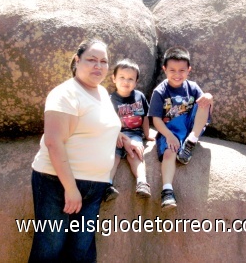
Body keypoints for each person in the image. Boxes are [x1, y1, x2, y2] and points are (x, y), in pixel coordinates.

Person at [29, 39, 139, 262]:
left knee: (81, 253)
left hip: (94, 185)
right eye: (91, 60)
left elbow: (99, 126)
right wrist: (70, 188)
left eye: (103, 61)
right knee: (50, 248)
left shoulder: (101, 93)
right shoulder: (65, 94)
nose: (98, 66)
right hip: (57, 182)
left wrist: (123, 139)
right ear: (77, 61)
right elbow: (53, 142)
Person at [148, 46, 213, 210]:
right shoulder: (160, 91)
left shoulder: (192, 87)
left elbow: (204, 106)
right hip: (170, 129)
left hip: (191, 127)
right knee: (169, 153)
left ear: (189, 70)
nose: (177, 74)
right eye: (172, 70)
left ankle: (191, 141)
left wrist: (209, 97)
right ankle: (167, 191)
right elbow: (155, 119)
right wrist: (169, 136)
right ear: (164, 70)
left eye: (182, 70)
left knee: (206, 99)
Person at [103, 59, 155, 202]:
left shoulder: (139, 96)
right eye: (122, 77)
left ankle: (142, 182)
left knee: (136, 153)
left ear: (136, 81)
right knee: (114, 155)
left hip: (134, 133)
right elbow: (107, 121)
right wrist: (114, 134)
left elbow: (144, 117)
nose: (126, 81)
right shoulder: (110, 99)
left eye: (130, 78)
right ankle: (107, 185)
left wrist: (147, 134)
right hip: (116, 134)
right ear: (114, 78)